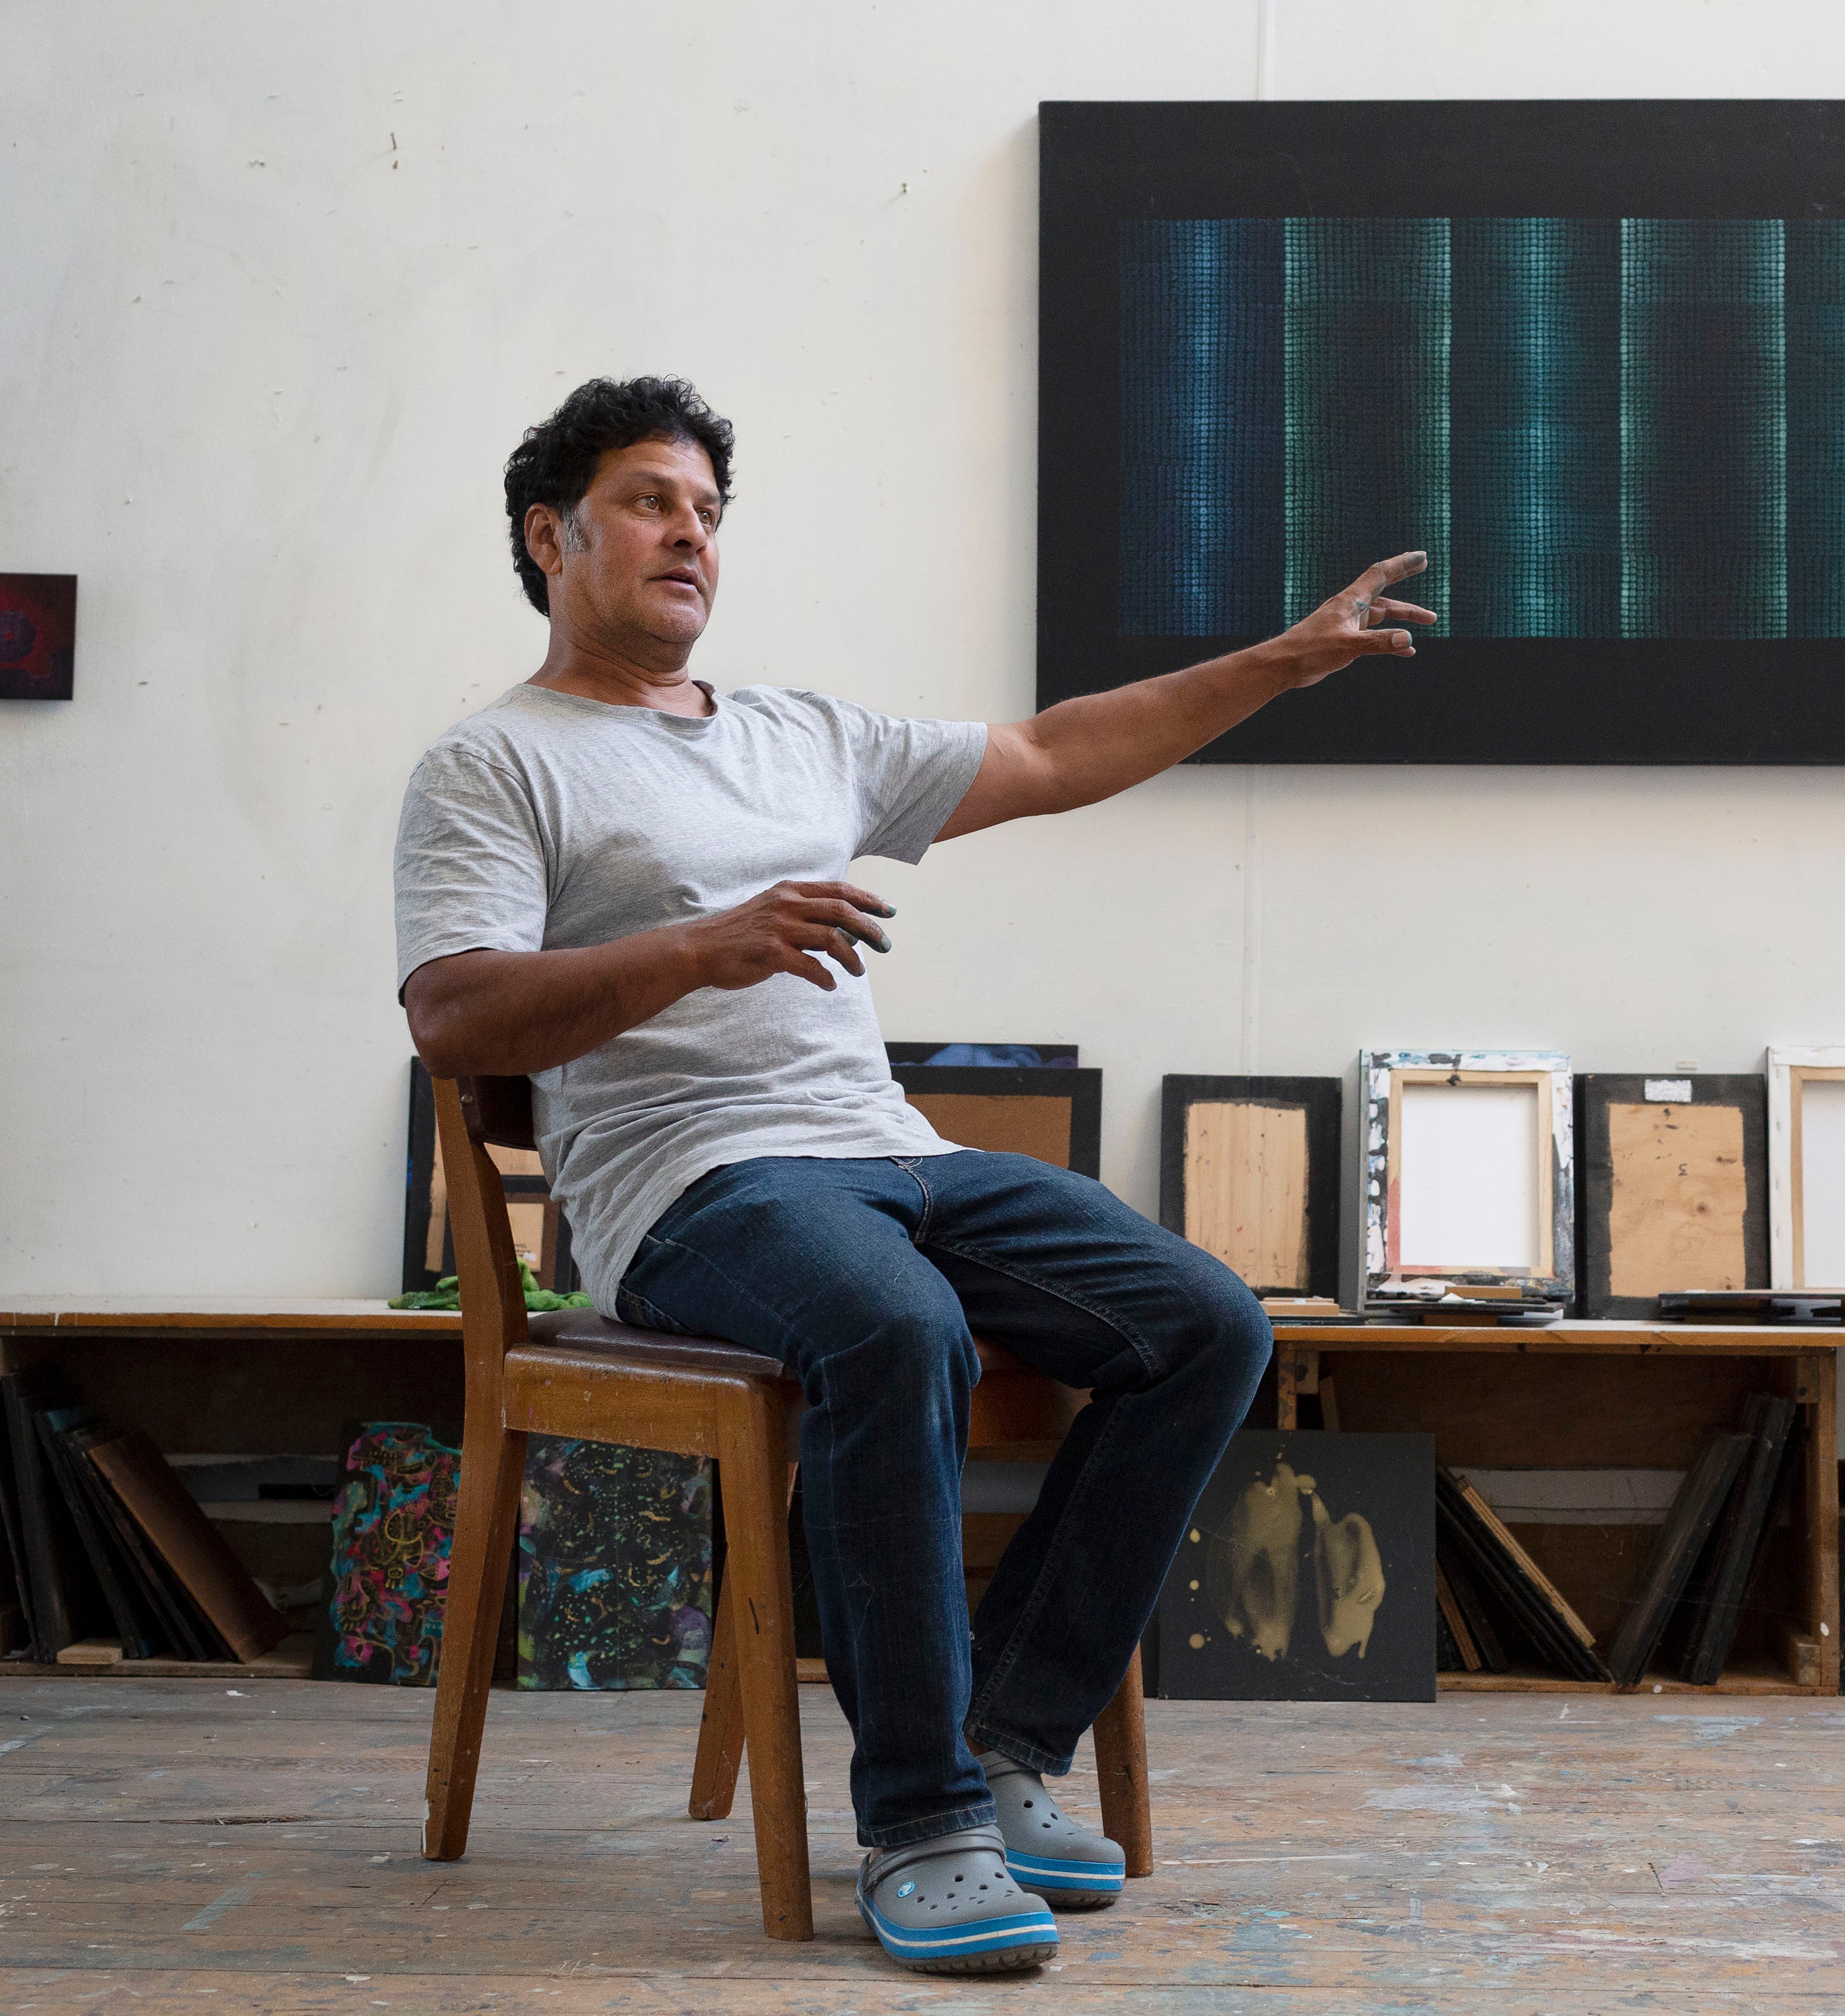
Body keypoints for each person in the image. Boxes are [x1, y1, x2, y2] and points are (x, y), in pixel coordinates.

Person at [394, 376, 1427, 1976]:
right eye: (655, 503)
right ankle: (923, 1822)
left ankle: (1008, 1745)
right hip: (689, 1191)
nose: (692, 536)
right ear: (551, 536)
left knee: (1205, 1322)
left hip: (892, 1159)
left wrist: (1284, 662)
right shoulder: (496, 763)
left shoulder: (802, 736)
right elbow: (451, 1015)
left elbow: (1048, 748)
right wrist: (697, 946)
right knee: (895, 1331)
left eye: (710, 513)